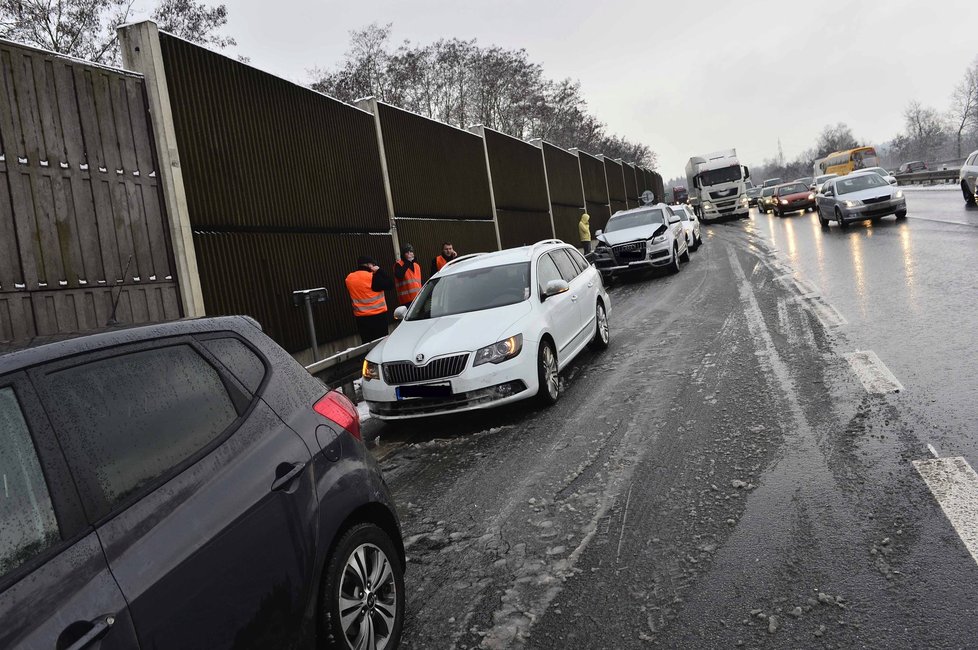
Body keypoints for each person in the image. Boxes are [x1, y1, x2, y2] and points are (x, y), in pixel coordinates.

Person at [345, 255, 394, 344]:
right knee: (381, 344)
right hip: (379, 317)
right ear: (369, 265)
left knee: (366, 345)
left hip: (361, 318)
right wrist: (379, 271)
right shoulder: (373, 277)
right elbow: (390, 284)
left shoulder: (349, 278)